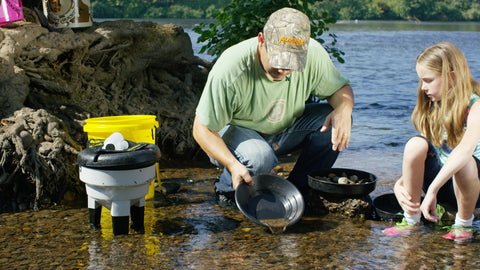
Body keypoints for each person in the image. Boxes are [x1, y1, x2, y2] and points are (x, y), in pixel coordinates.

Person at [192, 7, 353, 206]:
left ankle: (297, 189)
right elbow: (201, 129)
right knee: (259, 156)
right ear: (261, 40)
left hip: (286, 128)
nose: (283, 68)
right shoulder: (231, 67)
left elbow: (340, 90)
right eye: (278, 58)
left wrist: (344, 109)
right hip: (236, 132)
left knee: (337, 118)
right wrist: (233, 165)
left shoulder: (314, 54)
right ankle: (226, 190)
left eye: (292, 61)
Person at [383, 42, 480, 242]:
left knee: (465, 162)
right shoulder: (434, 105)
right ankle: (411, 219)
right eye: (421, 81)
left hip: (472, 189)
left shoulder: (476, 106)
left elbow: (464, 151)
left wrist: (432, 189)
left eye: (428, 80)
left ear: (451, 77)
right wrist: (398, 185)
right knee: (415, 144)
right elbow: (427, 151)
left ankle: (463, 225)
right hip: (443, 184)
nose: (423, 87)